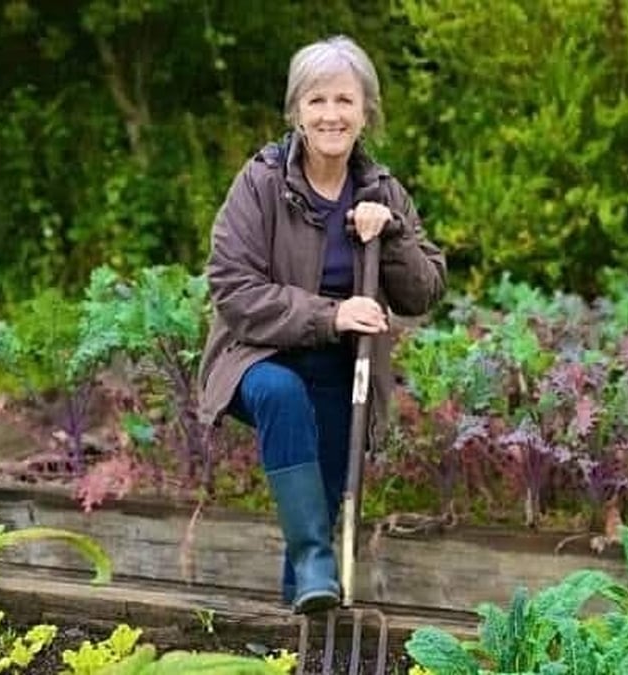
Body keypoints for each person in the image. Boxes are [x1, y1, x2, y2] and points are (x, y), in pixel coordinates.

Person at [196, 35, 447, 614]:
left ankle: (300, 624)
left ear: (366, 112)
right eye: (316, 101)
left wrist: (393, 236)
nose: (331, 114)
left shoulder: (383, 192)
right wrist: (331, 314)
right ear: (296, 112)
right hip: (255, 356)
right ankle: (314, 560)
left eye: (344, 100)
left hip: (342, 371)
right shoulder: (260, 184)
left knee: (320, 501)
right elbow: (232, 287)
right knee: (283, 396)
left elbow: (424, 291)